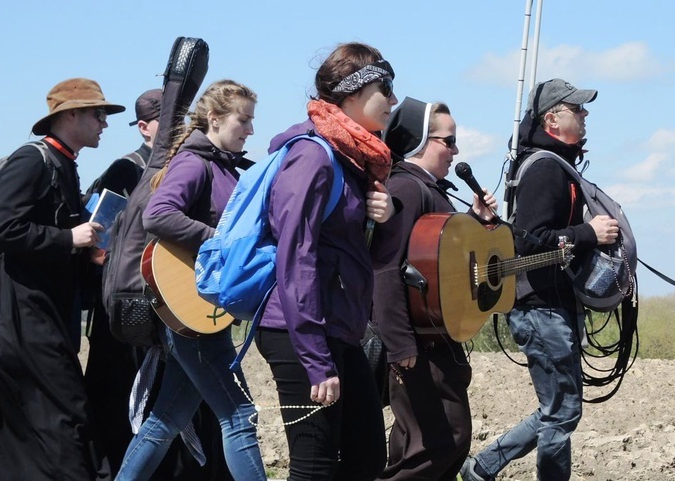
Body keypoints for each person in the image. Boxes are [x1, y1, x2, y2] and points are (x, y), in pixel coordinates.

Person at [0, 77, 124, 481]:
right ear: (70, 115)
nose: (104, 124)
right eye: (98, 114)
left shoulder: (64, 163)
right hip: (20, 314)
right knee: (67, 412)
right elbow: (4, 229)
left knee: (47, 414)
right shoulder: (31, 159)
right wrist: (68, 238)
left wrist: (85, 252)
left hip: (42, 311)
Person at [461, 79, 619, 481]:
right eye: (577, 109)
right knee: (563, 411)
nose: (585, 116)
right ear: (552, 118)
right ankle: (485, 467)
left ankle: (483, 467)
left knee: (559, 409)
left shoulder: (550, 164)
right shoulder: (546, 169)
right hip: (540, 306)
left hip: (546, 304)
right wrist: (590, 234)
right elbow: (530, 242)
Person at [253, 42, 397, 481]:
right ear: (351, 96)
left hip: (339, 328)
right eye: (384, 88)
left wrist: (383, 220)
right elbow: (296, 259)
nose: (393, 100)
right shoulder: (313, 156)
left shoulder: (354, 160)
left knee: (366, 457)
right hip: (299, 332)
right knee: (314, 466)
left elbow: (364, 259)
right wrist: (315, 359)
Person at [114, 79, 266, 481]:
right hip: (189, 306)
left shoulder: (222, 164)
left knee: (165, 420)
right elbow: (158, 215)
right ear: (214, 119)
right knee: (239, 415)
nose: (250, 129)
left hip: (203, 311)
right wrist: (217, 240)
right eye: (244, 120)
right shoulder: (193, 162)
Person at [371, 98, 498, 480]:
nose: (456, 150)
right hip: (418, 344)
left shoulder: (428, 189)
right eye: (449, 140)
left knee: (423, 442)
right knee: (443, 440)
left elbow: (438, 260)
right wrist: (401, 345)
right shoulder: (407, 189)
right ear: (421, 142)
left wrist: (475, 221)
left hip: (432, 339)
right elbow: (386, 268)